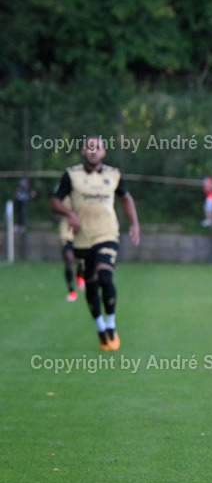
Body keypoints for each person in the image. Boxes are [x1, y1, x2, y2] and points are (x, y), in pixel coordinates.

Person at [50, 136, 141, 351]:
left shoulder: (114, 174)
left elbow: (126, 198)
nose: (93, 151)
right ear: (83, 151)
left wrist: (135, 223)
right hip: (82, 239)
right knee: (91, 283)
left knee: (105, 277)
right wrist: (69, 213)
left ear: (103, 151)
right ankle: (100, 327)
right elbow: (55, 200)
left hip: (107, 234)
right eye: (89, 147)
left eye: (97, 147)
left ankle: (111, 324)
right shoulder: (71, 175)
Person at [57, 194, 85, 302]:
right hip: (67, 230)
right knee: (69, 259)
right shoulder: (63, 191)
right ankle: (71, 291)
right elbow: (54, 209)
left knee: (82, 259)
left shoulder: (84, 188)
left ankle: (80, 275)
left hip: (81, 229)